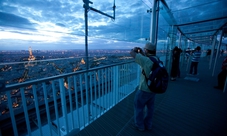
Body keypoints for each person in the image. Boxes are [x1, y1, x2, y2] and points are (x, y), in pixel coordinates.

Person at [129, 42, 157, 131]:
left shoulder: (146, 61)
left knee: (139, 107)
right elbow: (145, 58)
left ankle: (139, 126)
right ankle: (148, 125)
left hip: (144, 89)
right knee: (150, 108)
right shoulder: (156, 59)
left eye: (145, 49)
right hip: (153, 88)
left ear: (147, 50)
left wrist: (134, 50)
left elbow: (131, 53)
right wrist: (142, 52)